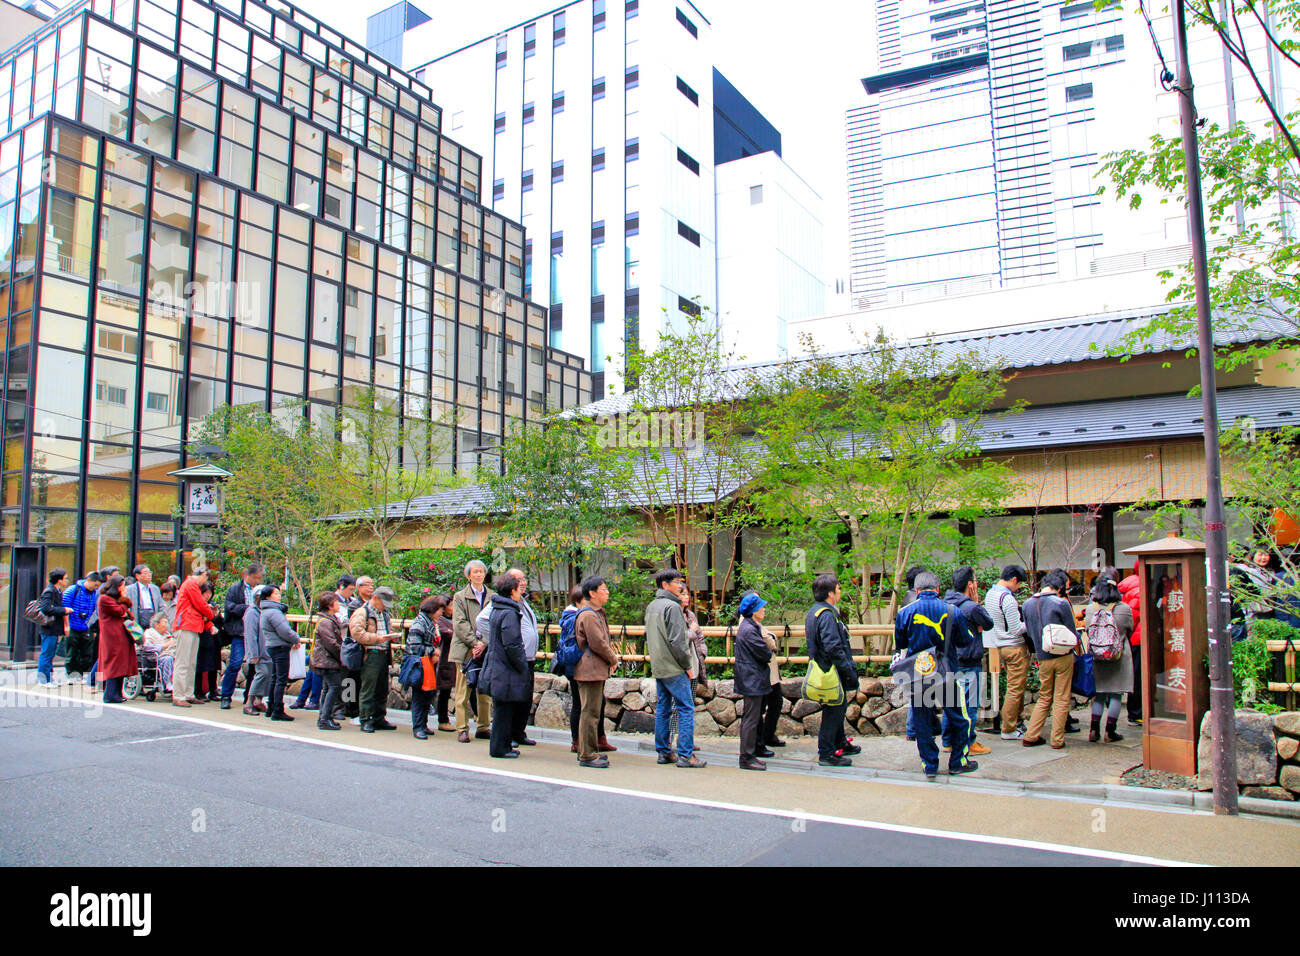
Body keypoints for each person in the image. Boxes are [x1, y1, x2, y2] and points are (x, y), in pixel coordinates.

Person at [895, 571, 976, 780]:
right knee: (959, 717)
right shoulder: (952, 611)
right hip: (947, 670)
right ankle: (958, 762)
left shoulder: (905, 612)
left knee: (922, 719)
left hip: (919, 673)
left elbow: (901, 643)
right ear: (938, 589)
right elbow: (965, 641)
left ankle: (929, 764)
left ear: (917, 591)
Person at [646, 569, 706, 768]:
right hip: (674, 666)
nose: (680, 585)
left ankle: (664, 751)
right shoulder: (672, 607)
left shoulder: (652, 606)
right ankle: (686, 755)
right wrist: (687, 665)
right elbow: (678, 641)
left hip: (659, 665)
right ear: (665, 585)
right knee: (686, 708)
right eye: (676, 582)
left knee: (664, 708)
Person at [1021, 569, 1080, 749]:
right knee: (1061, 697)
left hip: (1042, 655)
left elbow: (1028, 631)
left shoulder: (1027, 604)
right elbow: (1072, 633)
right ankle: (1057, 739)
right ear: (1060, 587)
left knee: (1044, 696)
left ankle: (1031, 735)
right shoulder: (1060, 603)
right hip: (1063, 655)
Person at [805, 573, 860, 767]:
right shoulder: (827, 615)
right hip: (831, 670)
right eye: (838, 588)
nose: (840, 591)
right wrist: (847, 669)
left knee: (837, 706)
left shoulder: (815, 611)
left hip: (824, 667)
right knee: (834, 710)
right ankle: (826, 752)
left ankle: (840, 742)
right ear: (830, 593)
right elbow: (833, 646)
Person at [942, 566, 994, 757]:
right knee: (969, 705)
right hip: (969, 660)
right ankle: (968, 742)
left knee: (951, 703)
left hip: (948, 660)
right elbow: (988, 623)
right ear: (970, 584)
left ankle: (948, 741)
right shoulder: (971, 607)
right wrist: (976, 602)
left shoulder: (944, 603)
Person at [479, 571, 531, 759]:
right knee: (504, 710)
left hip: (497, 663)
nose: (520, 590)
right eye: (518, 587)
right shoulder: (509, 612)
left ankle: (503, 745)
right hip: (505, 667)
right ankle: (500, 748)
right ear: (512, 591)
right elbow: (512, 644)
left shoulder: (498, 608)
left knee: (502, 708)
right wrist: (522, 664)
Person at [573, 576, 618, 768]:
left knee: (591, 711)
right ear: (592, 593)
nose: (607, 593)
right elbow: (597, 643)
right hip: (589, 669)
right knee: (590, 712)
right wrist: (613, 659)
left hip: (592, 668)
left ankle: (589, 751)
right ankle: (587, 754)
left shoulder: (593, 613)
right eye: (603, 589)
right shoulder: (589, 615)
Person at [1083, 577, 1134, 743]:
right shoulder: (1124, 609)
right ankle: (1110, 732)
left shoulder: (1091, 609)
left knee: (1099, 695)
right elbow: (1130, 628)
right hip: (1118, 657)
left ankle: (1093, 730)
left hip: (1097, 657)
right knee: (1116, 694)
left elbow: (1087, 629)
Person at [985, 564, 1030, 740]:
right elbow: (1017, 629)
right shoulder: (1008, 599)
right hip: (1014, 646)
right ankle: (1009, 728)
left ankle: (1016, 723)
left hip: (999, 645)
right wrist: (1032, 623)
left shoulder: (990, 594)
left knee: (1013, 687)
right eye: (1018, 584)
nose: (1018, 588)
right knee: (1015, 689)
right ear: (1013, 580)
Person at [450, 559, 493, 743]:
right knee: (463, 690)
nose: (478, 574)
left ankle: (484, 726)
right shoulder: (460, 597)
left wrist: (484, 643)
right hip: (465, 647)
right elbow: (459, 623)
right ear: (468, 575)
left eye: (481, 571)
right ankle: (462, 727)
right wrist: (474, 643)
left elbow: (493, 621)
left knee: (484, 689)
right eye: (475, 572)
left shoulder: (492, 596)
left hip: (486, 647)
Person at [350, 584, 399, 733]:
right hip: (370, 653)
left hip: (384, 653)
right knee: (368, 688)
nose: (385, 606)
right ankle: (365, 719)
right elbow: (357, 633)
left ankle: (379, 717)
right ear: (376, 598)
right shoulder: (362, 612)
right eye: (384, 603)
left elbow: (387, 629)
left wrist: (391, 636)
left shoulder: (385, 614)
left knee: (382, 689)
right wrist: (376, 638)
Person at [735, 592, 774, 771]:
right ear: (754, 611)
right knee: (751, 719)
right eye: (761, 607)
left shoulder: (748, 627)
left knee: (751, 718)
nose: (764, 610)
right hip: (752, 678)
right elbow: (765, 653)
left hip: (751, 677)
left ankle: (749, 755)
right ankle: (746, 757)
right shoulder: (750, 629)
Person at [220, 562, 264, 709]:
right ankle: (226, 695)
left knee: (254, 666)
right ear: (247, 575)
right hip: (239, 631)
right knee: (235, 663)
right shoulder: (235, 589)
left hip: (255, 632)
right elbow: (229, 607)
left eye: (259, 578)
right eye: (255, 577)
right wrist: (247, 608)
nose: (257, 580)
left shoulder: (260, 590)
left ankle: (249, 698)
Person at [504, 568, 540, 748]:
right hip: (516, 657)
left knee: (525, 698)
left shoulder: (523, 601)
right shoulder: (504, 602)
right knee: (514, 697)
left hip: (528, 658)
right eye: (519, 580)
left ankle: (519, 731)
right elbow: (483, 621)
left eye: (524, 579)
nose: (523, 583)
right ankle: (509, 733)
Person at [172, 562, 216, 707]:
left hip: (192, 625)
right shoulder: (191, 584)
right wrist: (211, 614)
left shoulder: (190, 584)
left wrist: (208, 618)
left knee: (190, 663)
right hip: (186, 625)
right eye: (206, 578)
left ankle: (187, 694)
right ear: (203, 575)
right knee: (184, 662)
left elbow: (198, 606)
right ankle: (179, 695)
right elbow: (200, 604)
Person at [405, 595, 448, 739]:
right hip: (419, 663)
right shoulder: (419, 623)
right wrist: (432, 651)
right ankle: (418, 727)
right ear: (432, 609)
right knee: (419, 695)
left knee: (427, 694)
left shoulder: (431, 622)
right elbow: (415, 646)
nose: (441, 613)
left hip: (428, 663)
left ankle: (423, 724)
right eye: (440, 610)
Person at [260, 584, 300, 721]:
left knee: (275, 678)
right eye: (276, 593)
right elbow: (285, 631)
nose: (279, 596)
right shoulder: (274, 612)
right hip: (280, 647)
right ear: (268, 596)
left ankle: (271, 707)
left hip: (272, 646)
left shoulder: (265, 611)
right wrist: (296, 639)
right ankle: (277, 709)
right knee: (281, 679)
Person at [95, 574, 137, 704]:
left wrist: (123, 604)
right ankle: (110, 694)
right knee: (114, 663)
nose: (124, 588)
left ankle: (117, 693)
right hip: (112, 636)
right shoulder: (104, 599)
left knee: (121, 663)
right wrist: (124, 601)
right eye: (122, 586)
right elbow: (119, 611)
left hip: (121, 634)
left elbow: (124, 612)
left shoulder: (113, 599)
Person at [310, 591, 345, 731]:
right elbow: (331, 643)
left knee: (328, 688)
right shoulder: (326, 622)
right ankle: (325, 719)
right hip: (327, 660)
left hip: (326, 660)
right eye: (336, 602)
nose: (338, 604)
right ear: (330, 605)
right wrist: (342, 655)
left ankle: (325, 717)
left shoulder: (329, 619)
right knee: (334, 687)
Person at [60, 571, 101, 682]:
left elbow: (96, 610)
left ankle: (84, 675)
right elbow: (64, 608)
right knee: (71, 654)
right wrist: (66, 626)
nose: (95, 587)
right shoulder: (73, 590)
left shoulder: (95, 593)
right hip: (73, 625)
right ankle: (72, 675)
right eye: (95, 585)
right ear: (89, 580)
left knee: (87, 653)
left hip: (87, 627)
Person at [1116, 568, 1143, 725]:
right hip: (1139, 638)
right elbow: (1134, 615)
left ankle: (1136, 711)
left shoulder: (1130, 585)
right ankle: (1136, 713)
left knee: (1137, 675)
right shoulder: (1139, 587)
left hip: (1133, 637)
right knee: (1139, 676)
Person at [36, 568, 70, 685]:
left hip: (53, 627)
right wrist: (63, 610)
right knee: (47, 654)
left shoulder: (57, 591)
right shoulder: (50, 591)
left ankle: (49, 679)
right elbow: (45, 609)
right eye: (65, 578)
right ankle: (43, 680)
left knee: (50, 654)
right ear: (59, 580)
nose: (66, 580)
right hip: (49, 628)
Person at [241, 586, 271, 715]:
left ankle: (258, 701)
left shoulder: (265, 611)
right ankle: (249, 702)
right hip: (258, 652)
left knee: (267, 675)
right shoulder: (252, 612)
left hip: (266, 651)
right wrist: (254, 653)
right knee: (261, 674)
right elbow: (251, 635)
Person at [193, 579, 224, 701]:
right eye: (205, 593)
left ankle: (213, 689)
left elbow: (220, 621)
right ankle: (198, 691)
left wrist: (216, 615)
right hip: (201, 637)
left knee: (214, 665)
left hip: (213, 638)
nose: (208, 595)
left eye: (210, 593)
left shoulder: (213, 604)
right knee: (200, 665)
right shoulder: (198, 604)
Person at [434, 593, 458, 731]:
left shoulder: (455, 619)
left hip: (453, 661)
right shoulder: (440, 621)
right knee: (443, 691)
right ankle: (442, 720)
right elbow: (449, 634)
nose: (453, 607)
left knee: (447, 690)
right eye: (451, 605)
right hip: (443, 660)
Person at [141, 611, 176, 693]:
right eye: (164, 623)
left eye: (167, 623)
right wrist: (164, 646)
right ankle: (167, 683)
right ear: (157, 624)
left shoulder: (167, 634)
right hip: (154, 659)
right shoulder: (149, 633)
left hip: (169, 655)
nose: (167, 625)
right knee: (168, 659)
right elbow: (147, 647)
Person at [123, 565, 162, 629]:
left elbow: (161, 606)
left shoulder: (155, 589)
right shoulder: (129, 589)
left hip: (153, 619)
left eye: (150, 572)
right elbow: (127, 607)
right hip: (137, 620)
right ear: (137, 576)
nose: (149, 575)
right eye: (145, 573)